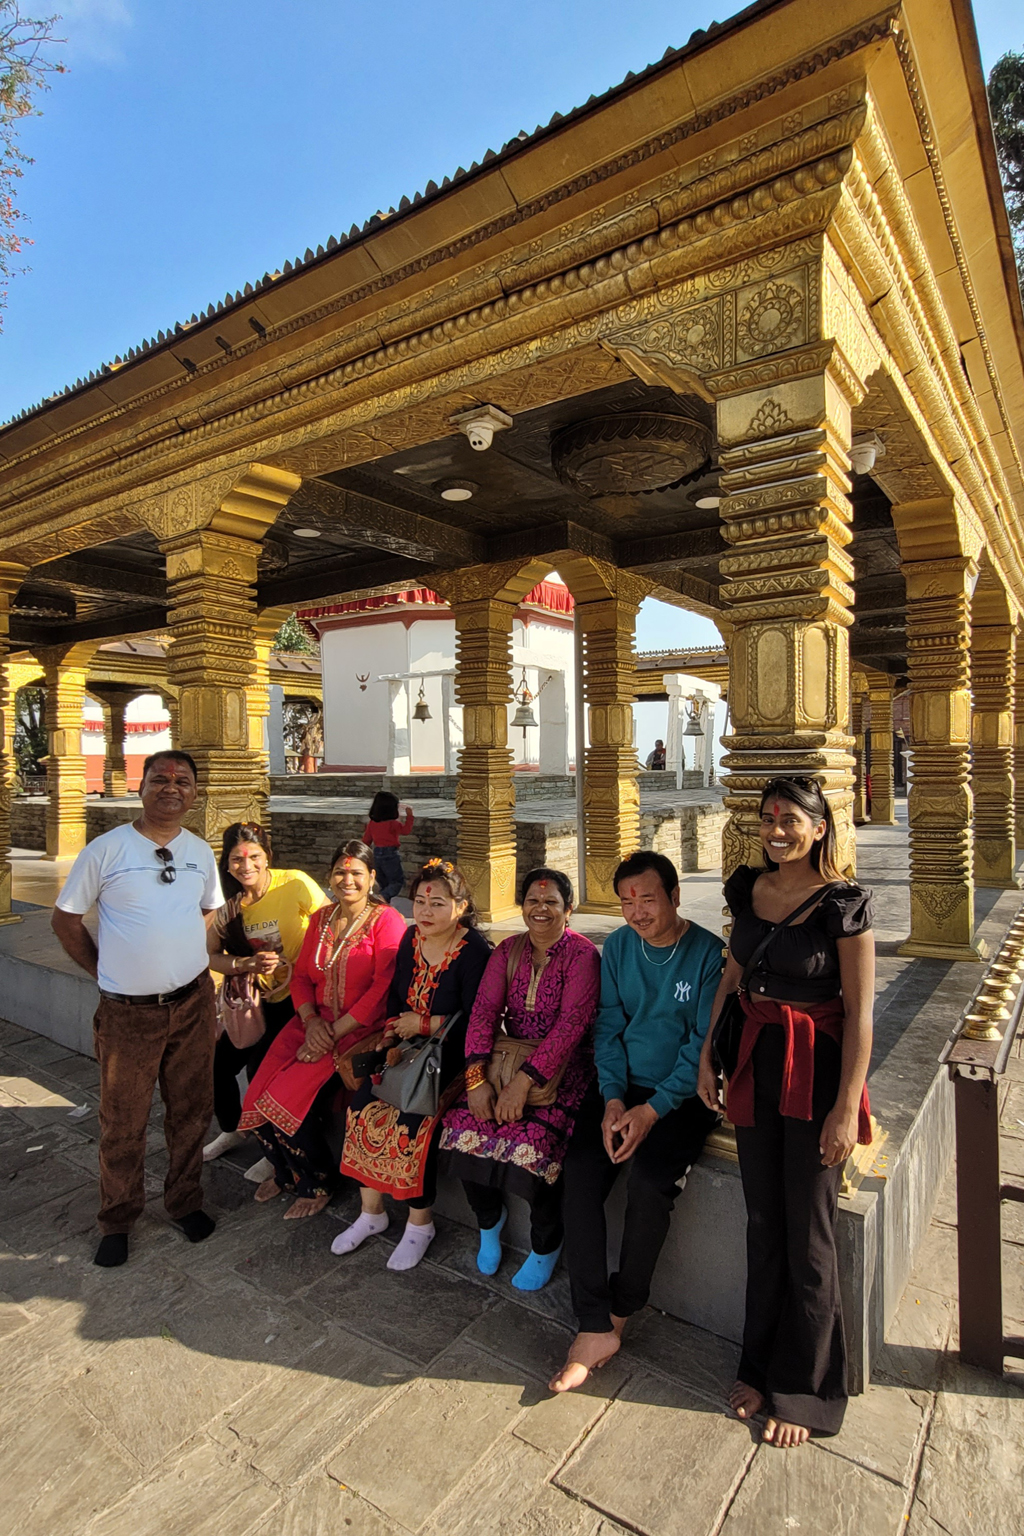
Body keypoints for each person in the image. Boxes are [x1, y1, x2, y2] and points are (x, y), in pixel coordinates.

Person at [696, 776, 874, 1447]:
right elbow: (732, 980)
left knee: (811, 1233)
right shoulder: (751, 890)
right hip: (752, 1061)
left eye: (791, 818)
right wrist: (707, 1058)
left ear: (819, 827)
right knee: (765, 1221)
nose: (776, 828)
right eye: (768, 816)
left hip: (815, 1071)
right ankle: (760, 1366)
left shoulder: (844, 905)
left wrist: (842, 1111)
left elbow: (860, 1016)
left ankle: (807, 1390)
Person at [550, 849, 723, 1392]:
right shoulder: (620, 947)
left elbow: (702, 1046)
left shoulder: (708, 956)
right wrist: (614, 1100)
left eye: (648, 899)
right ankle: (593, 1320)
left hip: (682, 1095)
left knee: (650, 1184)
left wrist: (653, 1110)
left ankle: (622, 1310)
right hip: (623, 1092)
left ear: (675, 896)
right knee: (578, 1174)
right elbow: (609, 1026)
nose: (637, 912)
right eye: (627, 901)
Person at [51, 750, 222, 1268]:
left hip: (192, 1005)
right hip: (128, 1015)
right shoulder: (106, 850)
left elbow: (210, 910)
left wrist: (194, 960)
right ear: (141, 785)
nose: (172, 788)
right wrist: (107, 970)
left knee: (191, 1113)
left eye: (183, 781)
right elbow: (65, 921)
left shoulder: (200, 852)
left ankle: (185, 1202)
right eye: (161, 779)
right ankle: (118, 1218)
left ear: (194, 792)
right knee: (122, 1121)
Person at [440, 868, 600, 1291]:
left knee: (538, 1147)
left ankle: (546, 1243)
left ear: (570, 909)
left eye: (551, 902)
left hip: (563, 1069)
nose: (540, 909)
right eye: (532, 900)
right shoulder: (507, 950)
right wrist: (476, 1079)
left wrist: (524, 1083)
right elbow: (483, 1013)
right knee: (462, 1126)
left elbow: (572, 1025)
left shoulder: (583, 956)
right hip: (504, 1060)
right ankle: (489, 1223)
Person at [335, 858, 491, 1270]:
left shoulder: (474, 950)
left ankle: (420, 1224)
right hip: (402, 1048)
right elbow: (395, 1000)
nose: (425, 910)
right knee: (361, 1108)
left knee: (409, 1126)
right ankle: (371, 1213)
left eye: (437, 903)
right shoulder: (409, 939)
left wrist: (423, 1022)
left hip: (448, 1055)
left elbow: (478, 1015)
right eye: (420, 900)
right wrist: (389, 1036)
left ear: (460, 906)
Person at [238, 840, 405, 1219]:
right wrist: (312, 1020)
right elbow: (300, 977)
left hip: (356, 1032)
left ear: (372, 878)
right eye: (340, 873)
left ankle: (318, 1182)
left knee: (285, 1099)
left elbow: (382, 990)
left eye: (357, 873)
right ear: (330, 877)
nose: (348, 880)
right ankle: (287, 1173)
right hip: (310, 1024)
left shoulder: (387, 921)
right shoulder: (321, 918)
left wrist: (331, 1031)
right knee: (257, 1093)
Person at [203, 823, 324, 1165]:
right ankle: (232, 1130)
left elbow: (329, 924)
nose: (247, 866)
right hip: (257, 1003)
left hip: (300, 999)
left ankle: (273, 1152)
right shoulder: (228, 907)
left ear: (267, 857)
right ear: (226, 864)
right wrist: (246, 963)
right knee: (218, 1066)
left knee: (259, 1072)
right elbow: (211, 956)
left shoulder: (295, 883)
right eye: (237, 859)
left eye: (255, 857)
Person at [362, 792, 414, 903]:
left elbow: (366, 840)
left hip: (376, 853)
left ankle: (381, 901)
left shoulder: (372, 823)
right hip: (390, 853)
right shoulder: (392, 824)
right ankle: (382, 897)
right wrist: (410, 816)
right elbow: (406, 831)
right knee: (396, 882)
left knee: (382, 882)